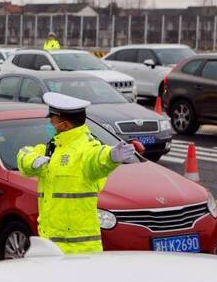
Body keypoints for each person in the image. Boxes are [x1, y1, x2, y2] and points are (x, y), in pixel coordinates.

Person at [16, 92, 137, 254]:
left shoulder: (85, 147)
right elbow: (23, 154)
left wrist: (111, 156)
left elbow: (97, 158)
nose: (51, 122)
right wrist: (32, 161)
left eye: (53, 118)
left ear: (65, 125)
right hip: (49, 245)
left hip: (80, 251)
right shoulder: (55, 146)